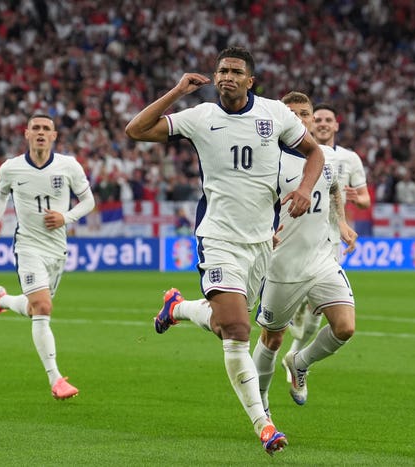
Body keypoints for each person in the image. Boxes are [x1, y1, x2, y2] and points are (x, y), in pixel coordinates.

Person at [125, 46, 325, 455]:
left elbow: (315, 152)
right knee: (236, 329)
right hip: (216, 237)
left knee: (222, 323)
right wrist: (179, 90)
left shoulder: (275, 114)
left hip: (259, 243)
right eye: (221, 71)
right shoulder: (201, 117)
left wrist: (304, 189)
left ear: (251, 80)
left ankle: (177, 307)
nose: (226, 77)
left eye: (235, 71)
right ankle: (264, 424)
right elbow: (136, 130)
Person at [252, 92, 357, 413]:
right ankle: (261, 403)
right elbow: (252, 202)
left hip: (322, 259)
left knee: (345, 328)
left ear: (312, 119)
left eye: (304, 114)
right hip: (283, 267)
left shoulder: (326, 156)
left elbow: (335, 189)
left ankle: (300, 362)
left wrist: (341, 222)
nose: (299, 119)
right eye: (292, 113)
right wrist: (261, 232)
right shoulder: (267, 159)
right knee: (272, 339)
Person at [0, 113, 95, 400]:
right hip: (28, 246)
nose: (41, 132)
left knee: (35, 307)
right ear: (27, 133)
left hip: (57, 249)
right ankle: (56, 379)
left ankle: (2, 300)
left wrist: (65, 217)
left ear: (54, 135)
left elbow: (89, 201)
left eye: (46, 129)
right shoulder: (11, 168)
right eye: (36, 128)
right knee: (42, 308)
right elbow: (0, 195)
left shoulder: (68, 165)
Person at [283, 102, 370, 378]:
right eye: (317, 118)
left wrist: (353, 204)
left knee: (317, 318)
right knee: (290, 311)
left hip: (330, 240)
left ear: (336, 125)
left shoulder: (349, 159)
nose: (322, 123)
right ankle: (292, 319)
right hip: (294, 236)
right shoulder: (292, 152)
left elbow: (365, 198)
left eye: (327, 120)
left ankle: (296, 358)